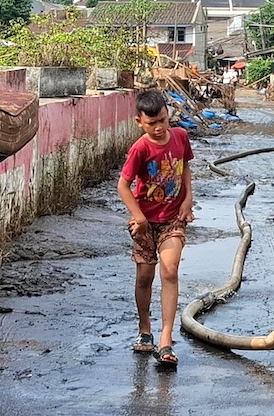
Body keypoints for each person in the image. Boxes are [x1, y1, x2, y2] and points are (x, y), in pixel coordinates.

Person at [117, 90, 195, 368]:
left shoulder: (180, 137)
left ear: (167, 113)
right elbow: (123, 186)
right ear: (139, 122)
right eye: (152, 124)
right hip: (145, 223)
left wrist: (188, 199)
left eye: (163, 119)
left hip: (173, 218)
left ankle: (165, 340)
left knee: (170, 270)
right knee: (144, 277)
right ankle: (145, 328)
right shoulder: (140, 148)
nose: (160, 128)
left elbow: (185, 166)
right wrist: (138, 217)